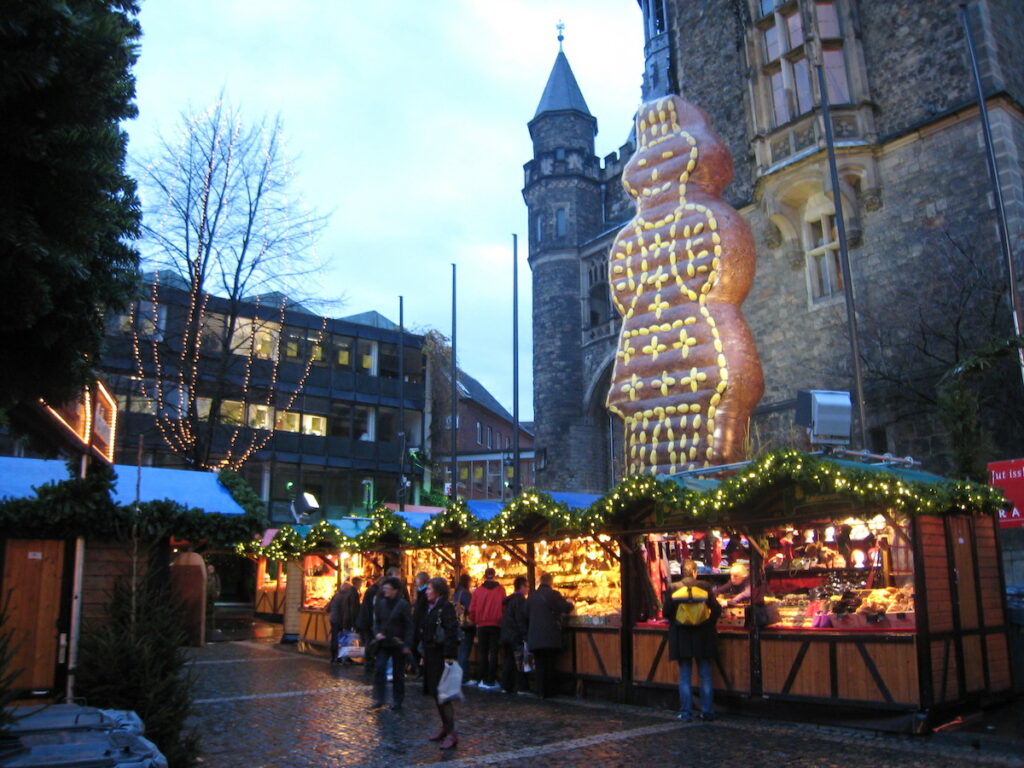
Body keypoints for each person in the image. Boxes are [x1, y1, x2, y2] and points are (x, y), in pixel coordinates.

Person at [665, 559, 721, 721]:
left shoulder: (673, 588)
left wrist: (678, 623)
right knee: (705, 675)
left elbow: (666, 612)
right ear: (695, 572)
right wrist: (708, 623)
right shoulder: (705, 586)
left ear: (682, 572)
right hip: (703, 636)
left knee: (684, 676)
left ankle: (685, 712)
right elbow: (716, 609)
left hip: (681, 636)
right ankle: (707, 711)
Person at [421, 577, 460, 750]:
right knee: (437, 694)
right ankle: (445, 727)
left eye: (429, 589)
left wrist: (449, 656)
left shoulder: (445, 607)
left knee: (443, 695)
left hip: (441, 656)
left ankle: (452, 733)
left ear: (437, 590)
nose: (426, 592)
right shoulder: (433, 607)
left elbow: (451, 632)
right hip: (431, 655)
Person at [369, 576, 414, 710]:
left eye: (388, 588)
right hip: (384, 642)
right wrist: (376, 633)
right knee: (380, 668)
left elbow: (409, 625)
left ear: (395, 590)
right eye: (384, 588)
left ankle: (397, 700)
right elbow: (376, 621)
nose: (385, 590)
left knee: (398, 672)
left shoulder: (403, 605)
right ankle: (379, 697)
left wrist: (407, 644)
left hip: (397, 642)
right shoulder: (381, 603)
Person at [525, 572, 572, 698]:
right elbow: (565, 608)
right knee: (550, 664)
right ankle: (549, 691)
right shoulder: (553, 595)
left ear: (540, 581)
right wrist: (571, 603)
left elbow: (525, 614)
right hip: (550, 636)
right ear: (551, 582)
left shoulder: (532, 596)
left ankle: (540, 690)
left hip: (535, 637)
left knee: (540, 665)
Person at [467, 567, 505, 690]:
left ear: (485, 576)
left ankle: (481, 677)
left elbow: (472, 609)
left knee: (482, 652)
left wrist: (475, 620)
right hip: (496, 624)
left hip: (482, 625)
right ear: (494, 575)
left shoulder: (478, 591)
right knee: (493, 652)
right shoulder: (500, 590)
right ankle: (491, 678)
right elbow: (504, 607)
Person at [499, 576, 529, 694]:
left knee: (508, 661)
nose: (528, 589)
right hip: (515, 635)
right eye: (526, 586)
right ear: (521, 587)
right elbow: (520, 620)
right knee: (519, 662)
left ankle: (506, 686)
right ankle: (520, 687)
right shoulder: (520, 601)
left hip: (506, 635)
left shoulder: (510, 600)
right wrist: (524, 635)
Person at [452, 574, 475, 684]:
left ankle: (460, 676)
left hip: (458, 625)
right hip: (466, 626)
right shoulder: (465, 594)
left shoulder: (457, 593)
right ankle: (464, 677)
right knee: (464, 652)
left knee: (461, 651)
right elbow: (471, 608)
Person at [327, 581, 357, 664]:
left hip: (333, 619)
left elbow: (328, 608)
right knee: (343, 639)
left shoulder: (336, 595)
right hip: (341, 620)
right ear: (347, 589)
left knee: (335, 638)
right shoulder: (345, 597)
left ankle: (334, 657)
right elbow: (345, 611)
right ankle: (340, 657)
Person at [411, 571, 430, 680]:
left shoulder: (425, 593)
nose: (415, 581)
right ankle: (419, 669)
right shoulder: (420, 592)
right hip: (418, 624)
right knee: (417, 648)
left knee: (420, 649)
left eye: (417, 579)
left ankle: (421, 670)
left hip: (421, 625)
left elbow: (422, 609)